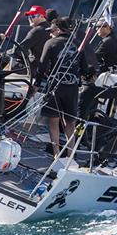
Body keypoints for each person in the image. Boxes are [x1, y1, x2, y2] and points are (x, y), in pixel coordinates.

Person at [36, 17, 90, 157]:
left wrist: (36, 85)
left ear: (58, 30)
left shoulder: (51, 43)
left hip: (55, 86)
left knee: (53, 120)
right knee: (70, 122)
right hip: (71, 88)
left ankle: (56, 154)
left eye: (51, 31)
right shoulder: (77, 44)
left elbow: (41, 67)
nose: (50, 33)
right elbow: (85, 69)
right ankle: (71, 154)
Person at [13, 4, 50, 75]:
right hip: (47, 69)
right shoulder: (51, 28)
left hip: (35, 69)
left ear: (42, 16)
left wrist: (8, 52)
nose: (29, 19)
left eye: (32, 16)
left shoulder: (36, 31)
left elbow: (19, 49)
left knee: (3, 57)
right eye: (28, 16)